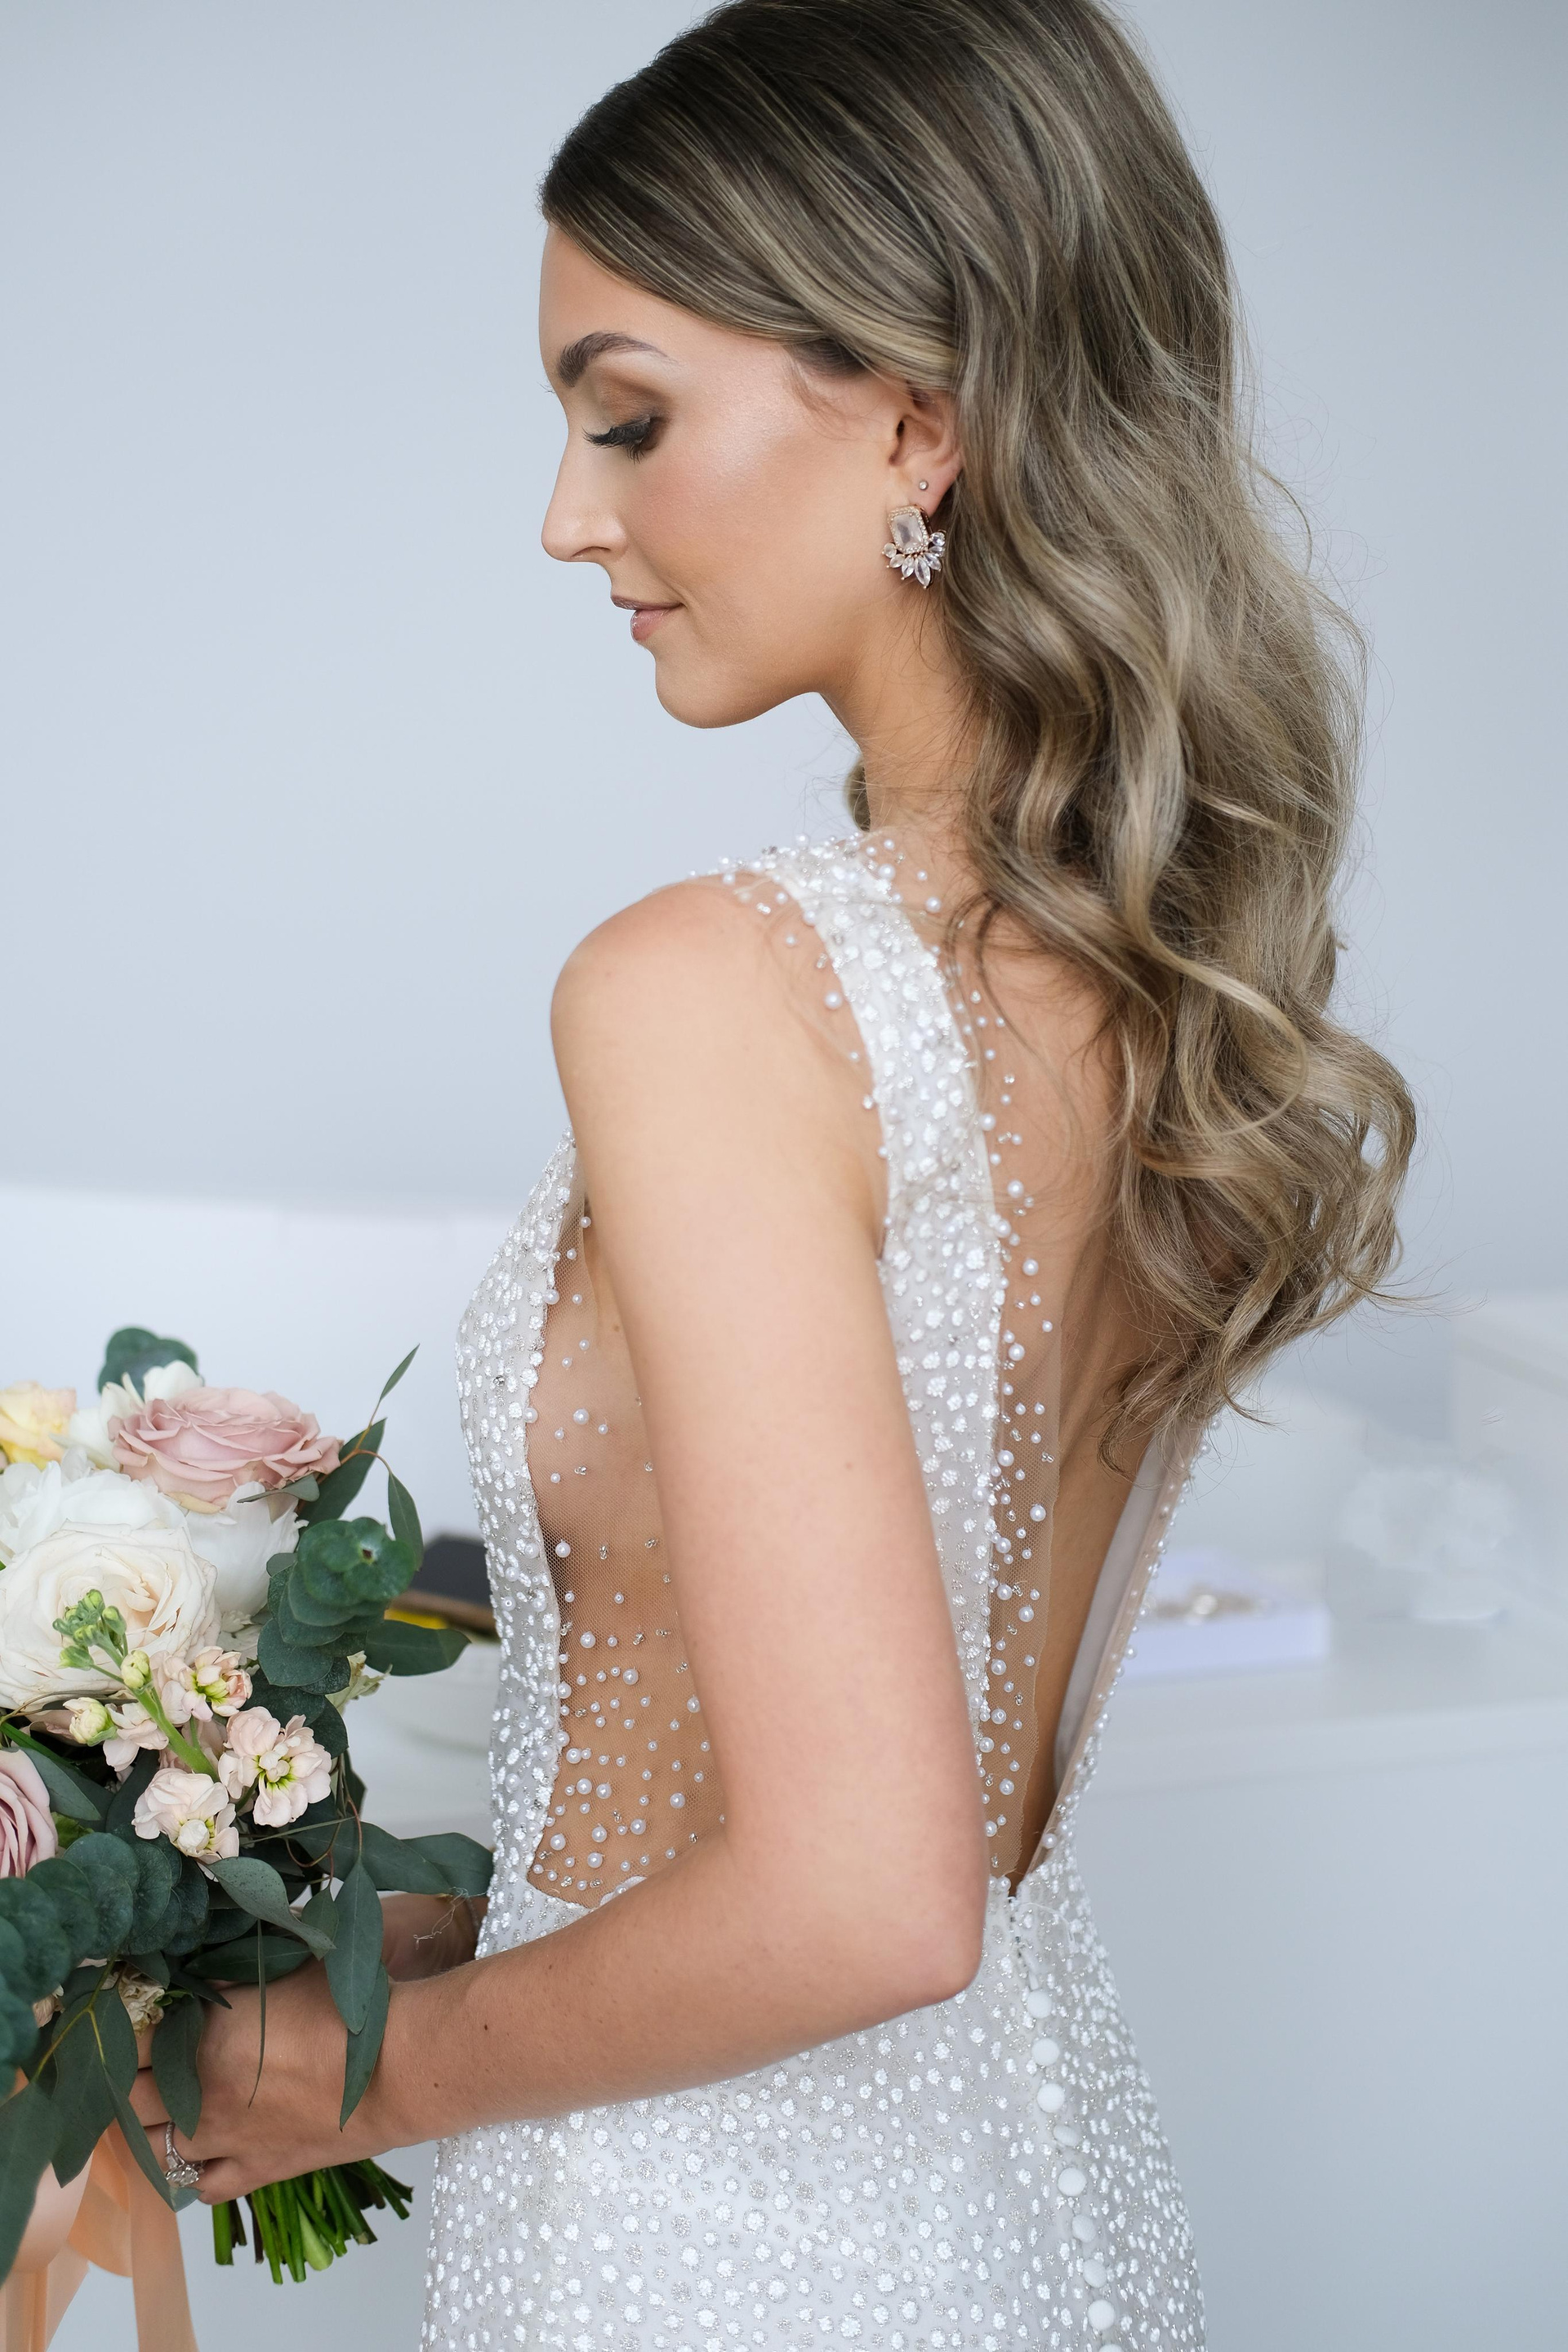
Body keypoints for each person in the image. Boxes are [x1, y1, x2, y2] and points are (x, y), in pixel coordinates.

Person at [132, 2, 1415, 2344]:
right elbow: (917, 1799)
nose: (568, 516)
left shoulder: (716, 992)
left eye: (628, 415)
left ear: (920, 416)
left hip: (707, 2257)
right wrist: (464, 1929)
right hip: (1024, 2226)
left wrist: (336, 2074)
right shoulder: (1151, 986)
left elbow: (864, 1898)